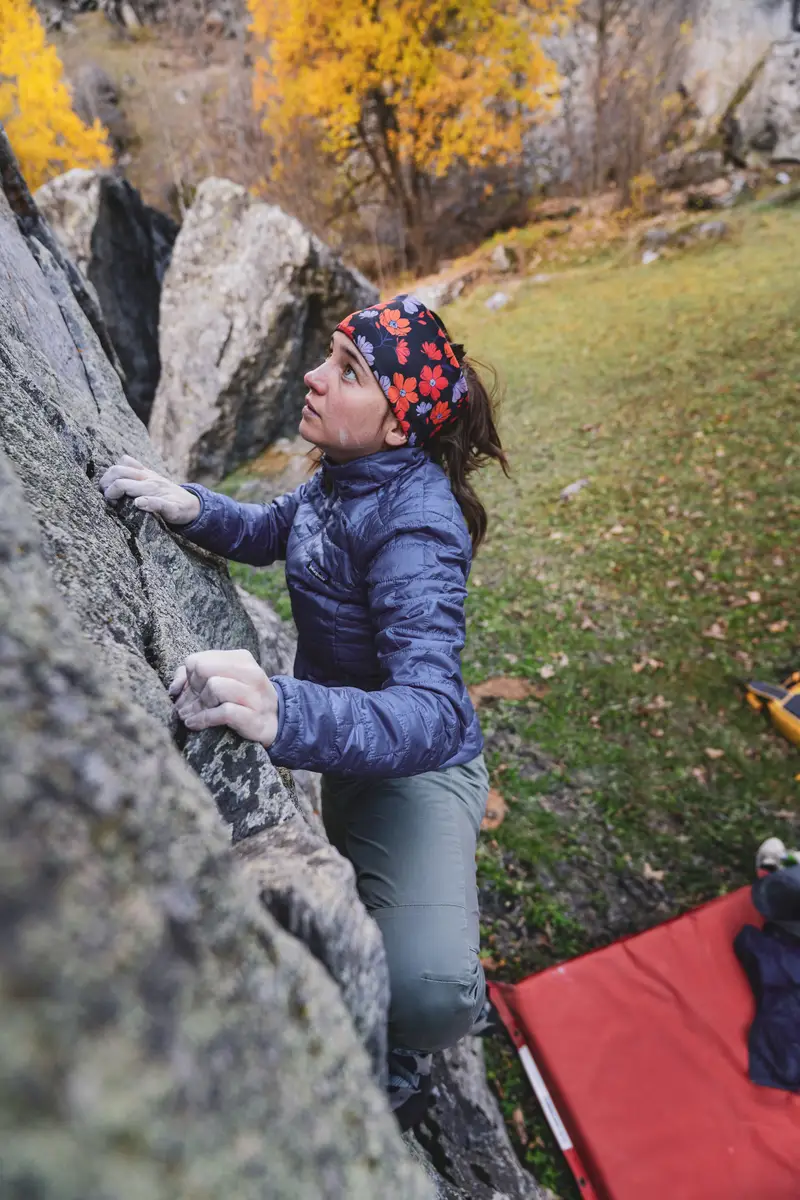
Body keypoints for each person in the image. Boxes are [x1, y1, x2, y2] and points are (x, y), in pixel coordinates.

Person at [99, 294, 508, 1129]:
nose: (316, 379)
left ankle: (416, 1054)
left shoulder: (418, 525)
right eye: (329, 356)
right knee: (363, 903)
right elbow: (281, 528)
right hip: (350, 755)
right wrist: (192, 506)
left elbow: (430, 709)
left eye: (348, 372)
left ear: (399, 426)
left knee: (426, 991)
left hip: (420, 771)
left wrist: (283, 707)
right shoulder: (345, 473)